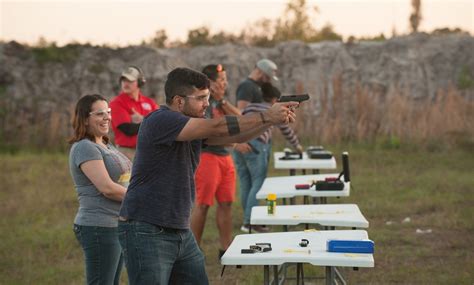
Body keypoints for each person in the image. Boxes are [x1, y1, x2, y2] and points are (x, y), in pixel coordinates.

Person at [118, 67, 298, 284]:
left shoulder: (192, 127)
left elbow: (236, 135)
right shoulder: (160, 120)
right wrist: (267, 115)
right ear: (179, 101)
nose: (206, 104)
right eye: (201, 98)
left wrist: (270, 121)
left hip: (179, 230)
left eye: (208, 97)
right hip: (146, 228)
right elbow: (218, 126)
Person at [68, 94, 132, 285]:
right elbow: (107, 188)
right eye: (100, 114)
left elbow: (123, 180)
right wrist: (140, 199)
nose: (107, 117)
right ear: (85, 119)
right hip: (98, 226)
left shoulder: (105, 144)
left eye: (109, 112)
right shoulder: (84, 147)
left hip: (115, 225)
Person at [233, 83, 303, 233]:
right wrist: (297, 147)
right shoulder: (272, 110)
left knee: (246, 183)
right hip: (257, 145)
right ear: (274, 100)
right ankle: (250, 222)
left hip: (239, 144)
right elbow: (286, 129)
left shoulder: (250, 107)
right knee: (258, 183)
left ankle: (248, 219)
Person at [190, 64, 241, 260]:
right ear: (210, 83)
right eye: (221, 80)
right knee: (202, 205)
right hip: (208, 157)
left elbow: (240, 119)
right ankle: (193, 250)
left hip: (225, 158)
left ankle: (226, 248)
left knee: (227, 203)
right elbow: (210, 130)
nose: (225, 83)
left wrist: (222, 101)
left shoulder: (221, 102)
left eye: (225, 79)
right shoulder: (203, 103)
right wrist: (233, 139)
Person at [110, 66, 158, 160]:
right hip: (127, 152)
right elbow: (128, 130)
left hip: (149, 151)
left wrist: (142, 119)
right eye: (123, 80)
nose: (126, 84)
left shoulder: (149, 102)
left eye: (130, 81)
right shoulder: (116, 103)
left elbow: (161, 124)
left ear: (140, 82)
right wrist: (149, 120)